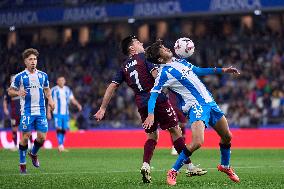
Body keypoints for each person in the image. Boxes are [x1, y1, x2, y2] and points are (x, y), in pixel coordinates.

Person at [94, 35, 206, 183]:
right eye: (137, 42)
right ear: (132, 48)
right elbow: (156, 76)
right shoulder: (145, 57)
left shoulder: (123, 67)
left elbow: (112, 86)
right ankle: (190, 167)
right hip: (157, 99)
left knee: (152, 136)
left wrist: (103, 108)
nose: (141, 43)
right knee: (175, 131)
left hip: (141, 103)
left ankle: (145, 165)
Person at [143, 40, 240, 185]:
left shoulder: (180, 61)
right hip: (195, 106)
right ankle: (173, 170)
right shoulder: (163, 74)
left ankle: (225, 166)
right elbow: (153, 96)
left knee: (227, 137)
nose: (167, 48)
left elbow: (199, 70)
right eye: (162, 49)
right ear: (160, 59)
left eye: (164, 46)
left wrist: (222, 70)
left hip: (210, 102)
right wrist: (151, 114)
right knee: (197, 142)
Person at [8, 48, 55, 174]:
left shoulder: (43, 75)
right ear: (25, 62)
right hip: (27, 111)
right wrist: (18, 92)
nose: (33, 61)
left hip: (41, 111)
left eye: (35, 59)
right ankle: (22, 164)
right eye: (30, 59)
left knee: (42, 138)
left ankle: (33, 153)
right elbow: (10, 91)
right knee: (26, 136)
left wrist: (50, 100)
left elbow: (47, 90)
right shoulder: (20, 77)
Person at [47, 76, 82, 152]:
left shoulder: (67, 90)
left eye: (63, 80)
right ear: (57, 81)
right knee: (59, 128)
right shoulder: (54, 90)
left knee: (64, 129)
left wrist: (78, 104)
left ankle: (61, 145)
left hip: (66, 113)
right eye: (60, 80)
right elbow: (50, 101)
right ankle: (60, 145)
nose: (62, 82)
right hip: (57, 112)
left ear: (65, 81)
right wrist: (48, 112)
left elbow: (72, 99)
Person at [3, 75, 21, 151]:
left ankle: (30, 144)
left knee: (26, 128)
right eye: (12, 80)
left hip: (23, 112)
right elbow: (5, 100)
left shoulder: (22, 89)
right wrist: (5, 108)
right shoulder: (9, 91)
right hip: (14, 113)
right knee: (14, 129)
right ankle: (15, 145)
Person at [168, 90, 188, 156]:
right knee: (173, 127)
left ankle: (182, 145)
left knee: (183, 125)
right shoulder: (169, 86)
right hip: (172, 107)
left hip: (181, 108)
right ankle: (175, 146)